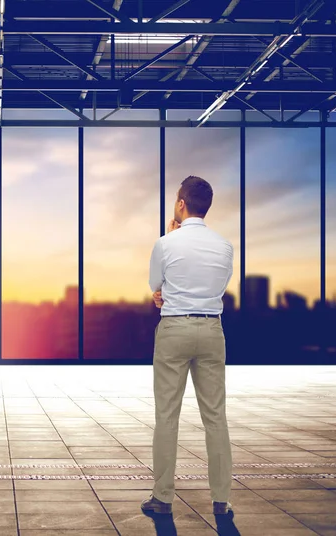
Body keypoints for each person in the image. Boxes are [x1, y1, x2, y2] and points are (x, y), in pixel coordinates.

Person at [141, 175, 234, 516]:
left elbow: (156, 285)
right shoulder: (225, 246)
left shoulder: (166, 243)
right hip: (212, 330)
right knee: (215, 417)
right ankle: (222, 501)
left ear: (181, 205)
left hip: (175, 328)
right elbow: (220, 285)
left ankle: (163, 498)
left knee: (167, 416)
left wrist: (172, 237)